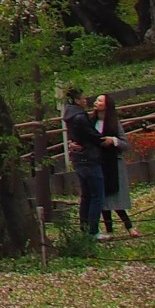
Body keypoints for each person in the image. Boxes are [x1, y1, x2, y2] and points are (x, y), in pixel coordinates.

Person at [62, 86, 105, 236]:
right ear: (76, 100)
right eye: (82, 98)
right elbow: (92, 135)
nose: (85, 101)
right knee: (96, 196)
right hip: (89, 158)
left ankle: (84, 229)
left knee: (86, 196)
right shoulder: (80, 117)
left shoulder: (70, 116)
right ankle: (92, 231)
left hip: (79, 159)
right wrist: (106, 140)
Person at [93, 93, 137, 238]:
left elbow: (125, 144)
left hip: (114, 164)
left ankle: (129, 226)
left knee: (116, 197)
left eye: (100, 100)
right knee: (103, 198)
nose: (96, 102)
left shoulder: (114, 123)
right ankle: (109, 229)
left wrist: (114, 141)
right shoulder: (91, 122)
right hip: (98, 163)